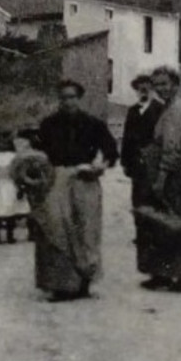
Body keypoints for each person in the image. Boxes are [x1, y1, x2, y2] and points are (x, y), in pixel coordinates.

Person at [33, 79, 119, 301]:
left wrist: (100, 167)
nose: (67, 102)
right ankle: (59, 284)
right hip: (56, 178)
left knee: (86, 230)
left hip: (84, 179)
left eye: (72, 97)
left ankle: (83, 283)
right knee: (56, 228)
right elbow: (38, 154)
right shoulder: (48, 124)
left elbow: (110, 150)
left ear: (79, 98)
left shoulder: (93, 124)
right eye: (63, 98)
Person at [139, 66, 181, 293]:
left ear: (175, 84)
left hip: (176, 173)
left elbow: (172, 148)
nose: (160, 89)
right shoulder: (172, 106)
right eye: (156, 85)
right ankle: (165, 272)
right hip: (177, 169)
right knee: (164, 221)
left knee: (175, 220)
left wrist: (161, 179)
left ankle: (180, 273)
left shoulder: (178, 109)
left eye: (164, 84)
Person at [121, 73, 165, 275]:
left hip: (153, 164)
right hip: (137, 166)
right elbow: (126, 138)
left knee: (154, 200)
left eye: (147, 87)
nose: (143, 90)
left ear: (152, 89)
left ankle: (153, 233)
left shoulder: (160, 110)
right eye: (140, 87)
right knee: (137, 199)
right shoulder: (132, 111)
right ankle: (141, 233)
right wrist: (126, 162)